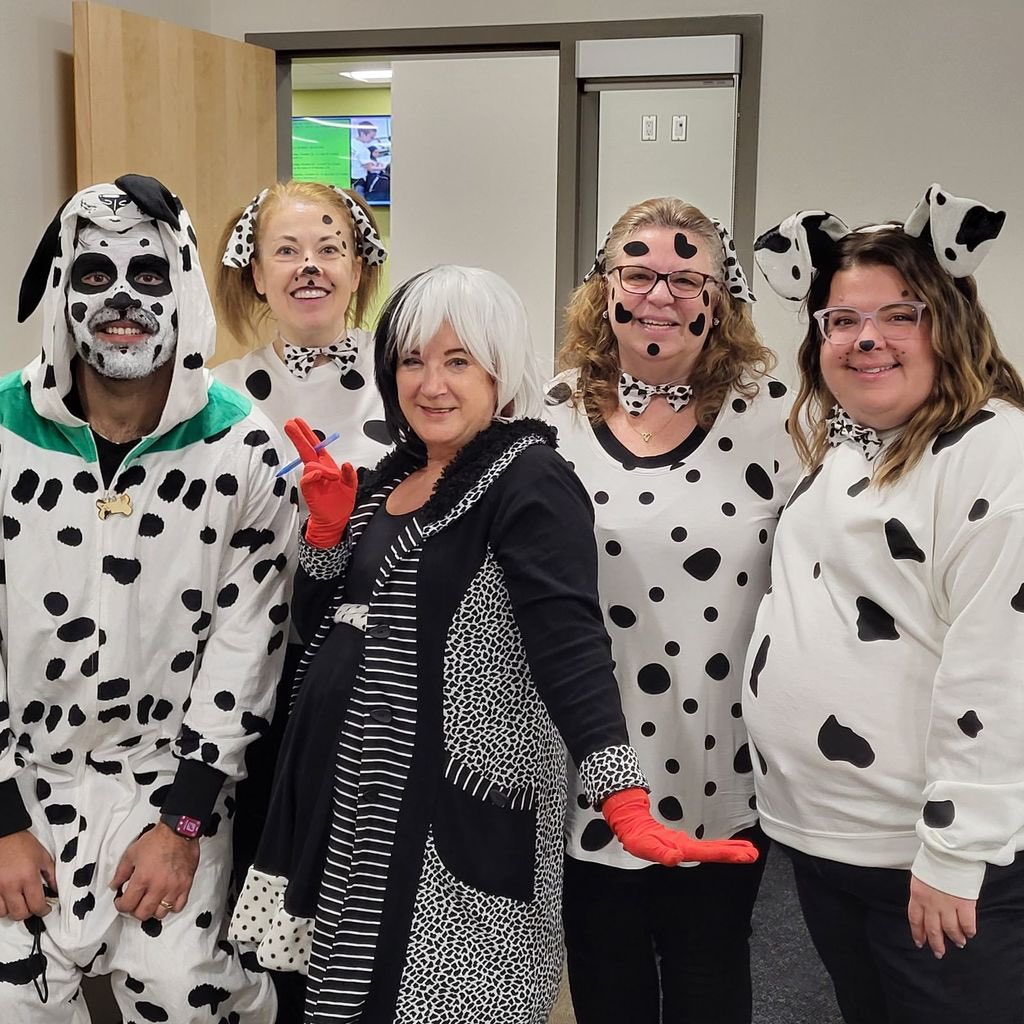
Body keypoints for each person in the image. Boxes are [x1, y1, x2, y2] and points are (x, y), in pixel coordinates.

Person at [228, 264, 759, 1024]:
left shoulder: (530, 479)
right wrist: (323, 538)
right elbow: (325, 632)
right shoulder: (392, 477)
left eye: (457, 361)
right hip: (354, 807)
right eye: (412, 360)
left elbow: (570, 644)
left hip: (455, 818)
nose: (431, 384)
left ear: (499, 372)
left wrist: (624, 798)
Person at [0, 174, 296, 1022]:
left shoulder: (242, 447)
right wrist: (0, 821)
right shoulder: (3, 432)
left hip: (171, 782)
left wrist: (186, 823)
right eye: (94, 276)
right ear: (61, 289)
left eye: (148, 276)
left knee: (183, 993)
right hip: (23, 781)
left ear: (184, 291)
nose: (122, 301)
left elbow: (251, 641)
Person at [744, 184, 1024, 1024]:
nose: (867, 337)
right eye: (842, 320)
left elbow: (1000, 671)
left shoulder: (992, 454)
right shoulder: (854, 445)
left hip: (929, 857)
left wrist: (953, 852)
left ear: (951, 322)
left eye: (900, 314)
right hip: (831, 841)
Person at [546, 196, 798, 1024]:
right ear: (603, 289)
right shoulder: (551, 416)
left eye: (686, 277)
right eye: (639, 271)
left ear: (719, 299)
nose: (661, 292)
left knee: (710, 971)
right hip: (586, 755)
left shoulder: (778, 419)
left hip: (721, 760)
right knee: (606, 977)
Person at [215, 180, 389, 934]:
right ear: (254, 272)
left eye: (329, 249)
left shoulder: (408, 381)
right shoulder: (216, 396)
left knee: (370, 889)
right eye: (285, 250)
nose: (308, 266)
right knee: (264, 880)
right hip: (252, 671)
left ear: (358, 269)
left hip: (376, 671)